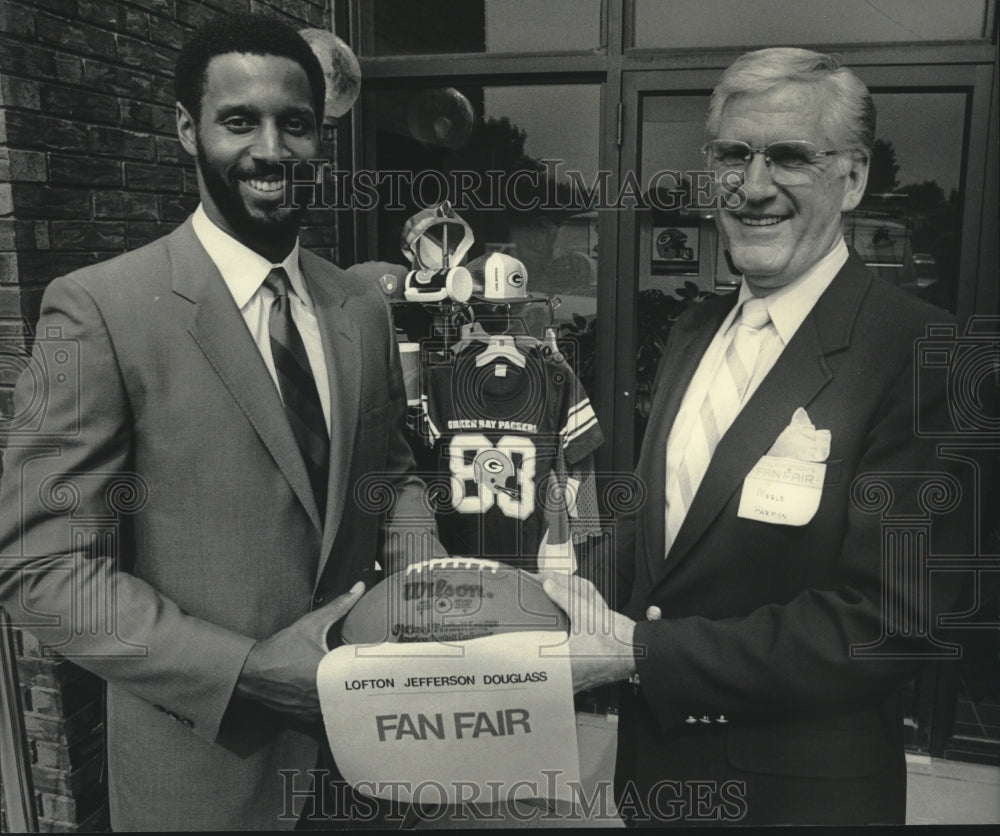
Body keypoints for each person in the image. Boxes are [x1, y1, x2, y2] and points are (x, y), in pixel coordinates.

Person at [0, 12, 439, 831]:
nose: (271, 151)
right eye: (240, 121)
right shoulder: (92, 310)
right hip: (202, 783)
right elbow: (40, 569)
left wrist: (421, 557)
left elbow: (393, 473)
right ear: (185, 129)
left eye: (295, 124)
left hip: (367, 768)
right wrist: (245, 670)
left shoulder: (360, 305)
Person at [542, 48, 969, 826]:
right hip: (656, 782)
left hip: (798, 801)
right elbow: (666, 535)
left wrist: (640, 655)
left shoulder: (921, 354)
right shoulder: (695, 328)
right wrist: (549, 605)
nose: (756, 184)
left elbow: (893, 625)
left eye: (792, 156)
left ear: (854, 178)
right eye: (733, 155)